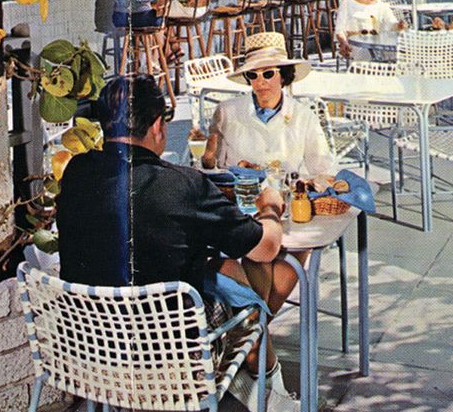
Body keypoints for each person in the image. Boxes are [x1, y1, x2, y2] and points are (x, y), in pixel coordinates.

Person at [57, 74, 298, 411]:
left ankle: (262, 386)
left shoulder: (77, 170)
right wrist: (270, 205)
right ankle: (268, 390)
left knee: (231, 271)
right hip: (170, 360)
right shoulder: (184, 184)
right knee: (270, 278)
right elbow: (266, 247)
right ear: (157, 126)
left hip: (88, 351)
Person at [201, 32, 334, 177]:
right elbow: (213, 170)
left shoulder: (304, 116)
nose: (260, 82)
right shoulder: (227, 111)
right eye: (253, 75)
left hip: (285, 194)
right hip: (239, 194)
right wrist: (207, 159)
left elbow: (323, 170)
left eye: (268, 74)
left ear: (283, 76)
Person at [333, 0, 405, 59]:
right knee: (366, 54)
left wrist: (399, 25)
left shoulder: (381, 5)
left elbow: (391, 23)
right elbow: (339, 30)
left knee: (395, 55)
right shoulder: (347, 4)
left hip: (377, 44)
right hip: (356, 45)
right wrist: (344, 42)